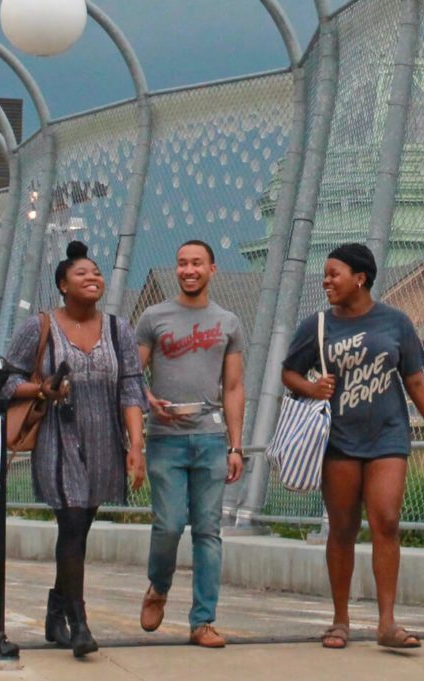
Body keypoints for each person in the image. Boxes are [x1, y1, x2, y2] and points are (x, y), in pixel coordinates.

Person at [280, 243, 424, 650]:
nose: (326, 281)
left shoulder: (395, 323)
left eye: (334, 273)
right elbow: (289, 373)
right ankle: (340, 621)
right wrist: (312, 387)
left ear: (360, 278)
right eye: (325, 274)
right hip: (338, 439)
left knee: (387, 521)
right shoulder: (317, 326)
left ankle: (387, 623)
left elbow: (415, 381)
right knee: (342, 528)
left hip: (388, 436)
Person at [2, 240, 146, 658]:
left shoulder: (120, 329)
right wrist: (40, 388)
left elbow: (132, 388)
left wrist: (136, 445)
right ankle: (79, 622)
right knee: (72, 519)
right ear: (62, 285)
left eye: (97, 273)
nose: (93, 279)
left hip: (104, 440)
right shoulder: (39, 326)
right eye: (82, 274)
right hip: (57, 438)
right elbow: (6, 380)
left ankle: (56, 608)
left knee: (79, 529)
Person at [134, 240, 246, 648]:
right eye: (182, 263)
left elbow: (233, 387)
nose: (189, 270)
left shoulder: (228, 323)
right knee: (167, 524)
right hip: (166, 439)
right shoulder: (154, 317)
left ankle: (203, 621)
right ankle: (158, 587)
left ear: (212, 269)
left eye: (197, 263)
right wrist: (149, 402)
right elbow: (132, 375)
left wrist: (236, 446)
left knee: (208, 531)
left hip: (211, 438)